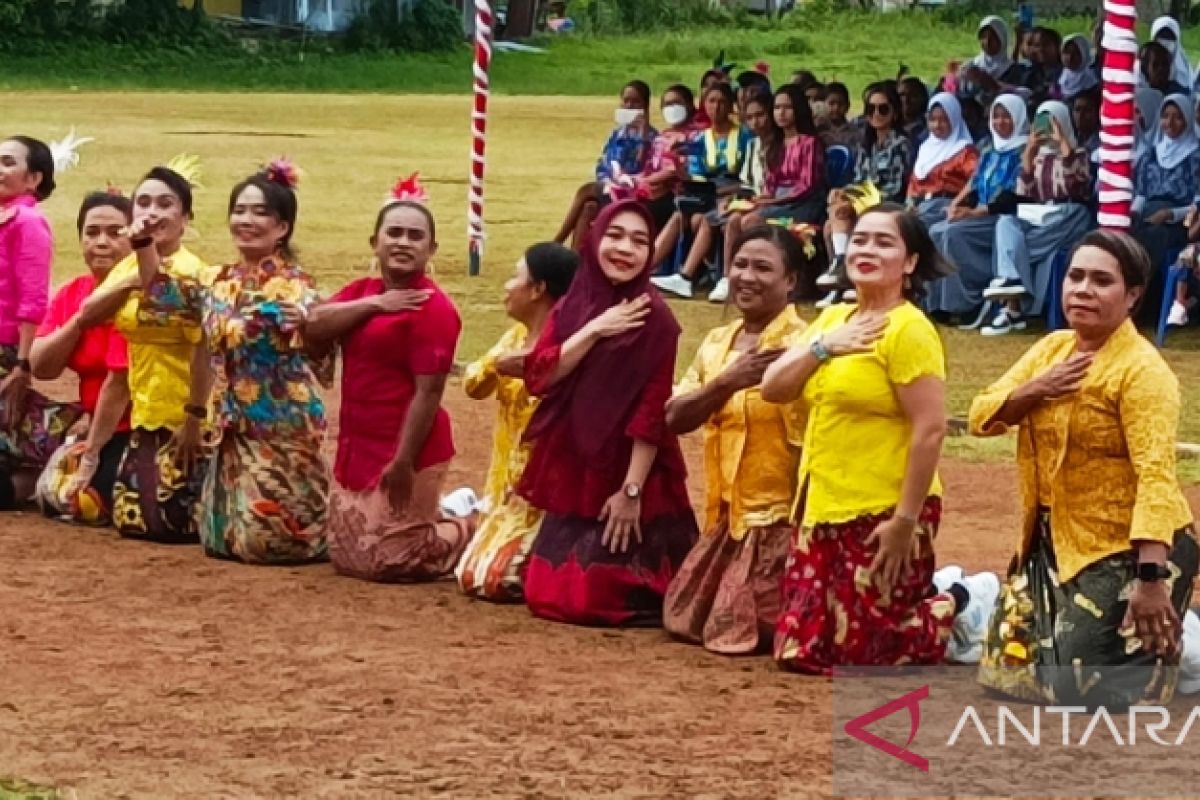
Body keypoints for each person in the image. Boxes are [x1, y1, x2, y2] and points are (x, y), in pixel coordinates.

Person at [761, 204, 998, 672]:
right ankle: (935, 590)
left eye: (884, 242)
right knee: (800, 651)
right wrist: (823, 347)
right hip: (822, 503)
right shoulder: (834, 321)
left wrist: (905, 521)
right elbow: (774, 388)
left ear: (910, 263)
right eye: (862, 239)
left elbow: (930, 429)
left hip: (884, 507)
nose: (867, 249)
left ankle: (962, 603)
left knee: (865, 657)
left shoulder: (909, 330)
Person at [972, 230, 1197, 710]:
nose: (1082, 290)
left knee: (1078, 689)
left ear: (1132, 295)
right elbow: (980, 416)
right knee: (1005, 675)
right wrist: (1038, 388)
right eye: (1075, 277)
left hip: (1129, 546)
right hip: (1053, 541)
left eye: (1101, 281)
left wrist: (1152, 578)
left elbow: (1156, 477)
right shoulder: (1052, 350)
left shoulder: (1144, 372)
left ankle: (1183, 639)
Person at [136, 162, 332, 564]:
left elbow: (323, 349)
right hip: (232, 428)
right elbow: (160, 292)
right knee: (220, 542)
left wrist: (309, 326)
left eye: (260, 212)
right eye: (240, 210)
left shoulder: (298, 285)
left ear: (282, 228)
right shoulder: (217, 281)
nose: (247, 220)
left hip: (283, 427)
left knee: (272, 546)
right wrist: (143, 245)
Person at [516, 200, 699, 627]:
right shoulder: (576, 303)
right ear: (595, 239)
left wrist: (630, 493)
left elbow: (652, 411)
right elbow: (541, 376)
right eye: (615, 236)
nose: (625, 249)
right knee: (544, 594)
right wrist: (595, 329)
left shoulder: (656, 320)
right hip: (575, 461)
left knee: (593, 600)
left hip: (631, 470)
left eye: (639, 241)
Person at [306, 179, 471, 582]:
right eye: (394, 233)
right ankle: (437, 510)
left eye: (416, 236)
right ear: (374, 242)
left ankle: (467, 524)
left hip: (407, 444)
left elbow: (428, 392)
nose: (403, 242)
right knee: (346, 556)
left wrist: (403, 462)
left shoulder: (434, 309)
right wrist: (376, 303)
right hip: (359, 440)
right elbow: (312, 324)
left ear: (431, 250)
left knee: (392, 561)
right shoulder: (362, 292)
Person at [662, 226, 807, 655]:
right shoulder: (716, 344)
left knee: (744, 629)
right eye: (740, 264)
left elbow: (813, 440)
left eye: (763, 268)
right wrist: (727, 382)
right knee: (684, 617)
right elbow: (674, 417)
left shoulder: (804, 347)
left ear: (791, 281)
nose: (747, 276)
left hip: (779, 519)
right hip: (726, 516)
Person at [92, 162, 212, 542]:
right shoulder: (127, 266)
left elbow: (204, 353)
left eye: (165, 204)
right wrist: (127, 280)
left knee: (166, 523)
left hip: (184, 413)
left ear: (186, 217)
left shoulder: (194, 274)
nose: (153, 212)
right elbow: (87, 315)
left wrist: (195, 418)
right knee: (131, 519)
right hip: (143, 413)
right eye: (143, 203)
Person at [456, 242, 579, 601]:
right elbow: (473, 385)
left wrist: (532, 368)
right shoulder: (515, 338)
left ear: (538, 289)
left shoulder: (568, 348)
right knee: (471, 575)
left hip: (542, 491)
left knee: (498, 578)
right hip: (503, 487)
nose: (507, 286)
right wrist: (501, 365)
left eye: (515, 277)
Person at [32, 191, 133, 525]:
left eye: (115, 232)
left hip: (135, 429)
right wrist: (80, 320)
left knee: (91, 499)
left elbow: (117, 385)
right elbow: (42, 366)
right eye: (91, 233)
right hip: (98, 429)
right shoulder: (74, 293)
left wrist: (90, 451)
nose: (101, 242)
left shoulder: (140, 297)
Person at [0, 135, 81, 509]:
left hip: (7, 350)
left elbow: (32, 300)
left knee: (16, 416)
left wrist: (22, 364)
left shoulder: (28, 222)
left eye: (7, 162)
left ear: (33, 179)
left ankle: (71, 438)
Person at [981, 100, 1094, 335]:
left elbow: (1076, 189)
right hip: (1041, 215)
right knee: (1005, 222)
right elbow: (1023, 192)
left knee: (1015, 246)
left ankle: (1012, 307)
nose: (1046, 128)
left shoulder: (1079, 153)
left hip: (1070, 215)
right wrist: (1030, 152)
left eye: (1051, 121)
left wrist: (1063, 143)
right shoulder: (1037, 156)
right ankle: (1012, 283)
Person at [653, 90, 774, 301]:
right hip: (707, 191)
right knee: (680, 214)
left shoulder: (746, 136)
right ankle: (649, 269)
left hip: (735, 190)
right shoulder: (700, 138)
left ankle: (694, 276)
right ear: (704, 105)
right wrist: (682, 171)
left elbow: (748, 178)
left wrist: (726, 192)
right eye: (711, 101)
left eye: (722, 101)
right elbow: (696, 174)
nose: (716, 107)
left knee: (703, 219)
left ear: (731, 106)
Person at [926, 94, 1029, 328]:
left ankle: (967, 301)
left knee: (954, 234)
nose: (1001, 122)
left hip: (1001, 217)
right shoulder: (990, 149)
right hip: (980, 213)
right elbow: (974, 180)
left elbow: (1011, 196)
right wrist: (956, 205)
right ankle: (938, 302)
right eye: (996, 116)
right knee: (936, 230)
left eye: (1007, 117)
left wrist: (972, 213)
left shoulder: (1024, 150)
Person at [725, 84, 826, 299]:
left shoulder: (809, 142)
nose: (781, 113)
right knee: (734, 220)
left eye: (787, 107)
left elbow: (806, 185)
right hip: (778, 200)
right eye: (777, 107)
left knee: (751, 221)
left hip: (803, 204)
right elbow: (771, 182)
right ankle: (729, 278)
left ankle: (764, 276)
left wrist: (772, 202)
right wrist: (762, 198)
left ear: (798, 109)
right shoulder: (776, 144)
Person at [816, 83, 911, 304]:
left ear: (894, 112)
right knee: (834, 215)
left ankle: (843, 271)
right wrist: (845, 192)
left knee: (840, 215)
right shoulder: (866, 145)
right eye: (871, 109)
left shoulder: (901, 144)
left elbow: (895, 188)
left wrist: (860, 202)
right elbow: (858, 179)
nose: (876, 114)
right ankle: (842, 281)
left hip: (888, 203)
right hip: (864, 200)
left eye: (883, 109)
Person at [554, 81, 656, 250]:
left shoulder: (652, 137)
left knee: (586, 190)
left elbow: (642, 166)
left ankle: (556, 243)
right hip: (609, 188)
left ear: (645, 105)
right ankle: (575, 262)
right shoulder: (616, 133)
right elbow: (603, 164)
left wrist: (643, 137)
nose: (629, 106)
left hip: (632, 190)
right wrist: (608, 181)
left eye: (635, 102)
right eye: (626, 101)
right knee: (589, 207)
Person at [1133, 93, 1200, 319]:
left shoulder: (1195, 156)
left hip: (1181, 221)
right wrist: (1132, 212)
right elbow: (1142, 193)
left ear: (1188, 120)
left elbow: (1197, 201)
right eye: (1165, 116)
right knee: (1122, 232)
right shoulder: (1151, 153)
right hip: (1149, 213)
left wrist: (1170, 213)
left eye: (1177, 117)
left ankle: (1137, 304)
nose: (1169, 123)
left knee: (1155, 236)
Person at [906, 93, 980, 230]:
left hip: (945, 207)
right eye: (932, 119)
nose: (937, 125)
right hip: (921, 207)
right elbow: (913, 185)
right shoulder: (925, 148)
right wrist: (910, 205)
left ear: (954, 119)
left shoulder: (965, 151)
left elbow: (976, 179)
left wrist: (956, 203)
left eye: (944, 120)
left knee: (915, 226)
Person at [957, 16, 1022, 107]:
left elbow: (1018, 96)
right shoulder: (972, 65)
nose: (987, 42)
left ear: (1002, 38)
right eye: (983, 37)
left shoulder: (1014, 70)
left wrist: (992, 84)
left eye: (993, 37)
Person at [1149, 16, 1191, 92]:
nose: (1165, 41)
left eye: (1170, 37)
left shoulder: (1182, 77)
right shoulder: (1141, 69)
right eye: (1161, 36)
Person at [1055, 33, 1098, 101]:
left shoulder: (1090, 80)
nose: (1070, 57)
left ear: (1084, 54)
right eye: (1066, 52)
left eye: (1076, 53)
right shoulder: (1058, 74)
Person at [819, 82, 861, 151]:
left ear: (848, 106)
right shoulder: (817, 130)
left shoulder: (855, 134)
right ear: (823, 104)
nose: (836, 108)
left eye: (841, 104)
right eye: (831, 103)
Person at [898, 77, 931, 146]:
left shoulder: (930, 127)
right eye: (902, 95)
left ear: (922, 98)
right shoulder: (888, 125)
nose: (906, 100)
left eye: (913, 95)